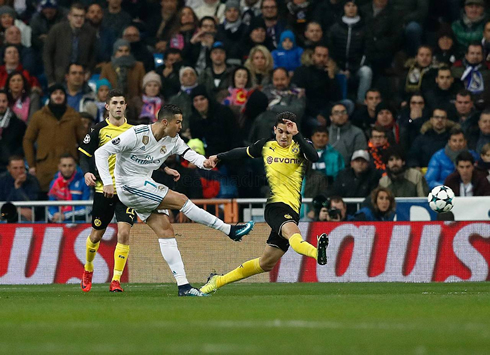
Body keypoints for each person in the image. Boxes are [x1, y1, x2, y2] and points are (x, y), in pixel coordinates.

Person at [94, 103, 255, 294]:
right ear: (164, 122)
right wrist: (107, 182)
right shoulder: (137, 134)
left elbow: (190, 155)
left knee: (166, 230)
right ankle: (229, 230)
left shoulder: (173, 139)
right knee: (180, 199)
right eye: (177, 122)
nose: (180, 126)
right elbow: (101, 152)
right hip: (128, 185)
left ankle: (183, 286)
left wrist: (206, 163)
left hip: (142, 185)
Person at [199, 112, 328, 295]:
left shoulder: (302, 145)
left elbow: (314, 157)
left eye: (288, 132)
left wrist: (297, 135)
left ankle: (217, 281)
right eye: (281, 131)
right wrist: (219, 157)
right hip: (275, 205)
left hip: (293, 208)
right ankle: (317, 253)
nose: (284, 136)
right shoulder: (266, 146)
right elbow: (241, 152)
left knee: (266, 263)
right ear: (274, 130)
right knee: (294, 234)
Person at [23, 84, 84, 196]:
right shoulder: (39, 116)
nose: (58, 96)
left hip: (69, 170)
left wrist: (80, 162)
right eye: (55, 93)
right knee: (43, 204)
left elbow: (84, 141)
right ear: (49, 96)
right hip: (45, 170)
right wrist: (31, 165)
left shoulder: (74, 116)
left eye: (61, 93)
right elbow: (28, 140)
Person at [43, 3, 96, 85]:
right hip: (59, 76)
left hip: (82, 76)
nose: (79, 19)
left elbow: (93, 54)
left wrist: (89, 71)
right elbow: (47, 53)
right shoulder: (57, 30)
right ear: (69, 16)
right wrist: (50, 79)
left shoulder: (90, 32)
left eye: (82, 16)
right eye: (75, 16)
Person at [47, 153, 90, 222]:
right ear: (59, 167)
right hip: (58, 222)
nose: (67, 168)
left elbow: (87, 207)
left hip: (79, 223)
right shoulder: (54, 183)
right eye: (64, 166)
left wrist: (65, 215)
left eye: (70, 165)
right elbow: (51, 205)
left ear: (75, 166)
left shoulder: (84, 182)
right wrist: (54, 215)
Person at [0, 155, 40, 221]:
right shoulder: (2, 180)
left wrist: (18, 187)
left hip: (26, 216)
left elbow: (31, 206)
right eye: (15, 168)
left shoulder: (32, 180)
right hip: (4, 213)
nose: (19, 171)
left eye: (21, 168)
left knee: (25, 216)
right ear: (8, 168)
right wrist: (15, 210)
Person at [0, 89, 25, 173]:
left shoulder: (18, 124)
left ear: (8, 103)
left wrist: (13, 157)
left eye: (4, 101)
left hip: (11, 168)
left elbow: (24, 144)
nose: (1, 104)